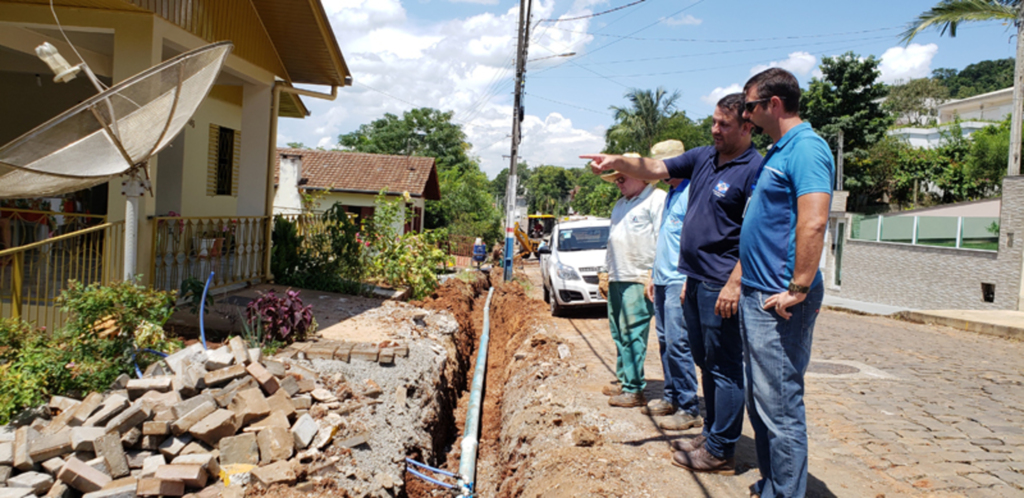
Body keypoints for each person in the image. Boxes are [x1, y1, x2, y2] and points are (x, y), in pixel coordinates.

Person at [582, 93, 762, 474]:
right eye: (713, 121)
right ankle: (712, 434)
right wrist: (616, 161)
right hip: (694, 280)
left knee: (724, 367)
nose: (715, 129)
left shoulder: (753, 169)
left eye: (724, 124)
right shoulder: (703, 158)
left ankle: (721, 451)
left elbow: (756, 232)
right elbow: (654, 166)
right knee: (705, 362)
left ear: (748, 126)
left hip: (720, 285)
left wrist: (735, 283)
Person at [739, 68, 833, 498]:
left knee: (780, 405)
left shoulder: (807, 149)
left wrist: (797, 288)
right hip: (757, 293)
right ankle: (775, 484)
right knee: (762, 403)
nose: (746, 115)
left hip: (779, 300)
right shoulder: (779, 150)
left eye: (750, 106)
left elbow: (813, 222)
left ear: (773, 104)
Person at [641, 140, 701, 432]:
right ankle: (671, 396)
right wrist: (653, 274)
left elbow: (697, 240)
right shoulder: (671, 194)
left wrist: (691, 277)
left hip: (679, 279)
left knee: (679, 343)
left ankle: (689, 407)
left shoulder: (693, 191)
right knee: (665, 341)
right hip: (663, 278)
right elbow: (665, 239)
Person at [596, 153, 666, 408]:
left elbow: (663, 240)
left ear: (641, 174)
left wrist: (654, 274)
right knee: (618, 331)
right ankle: (624, 379)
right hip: (618, 275)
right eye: (616, 178)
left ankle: (634, 388)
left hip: (638, 277)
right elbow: (613, 240)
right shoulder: (621, 204)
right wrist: (606, 272)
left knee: (633, 331)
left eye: (622, 176)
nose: (618, 182)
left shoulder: (656, 201)